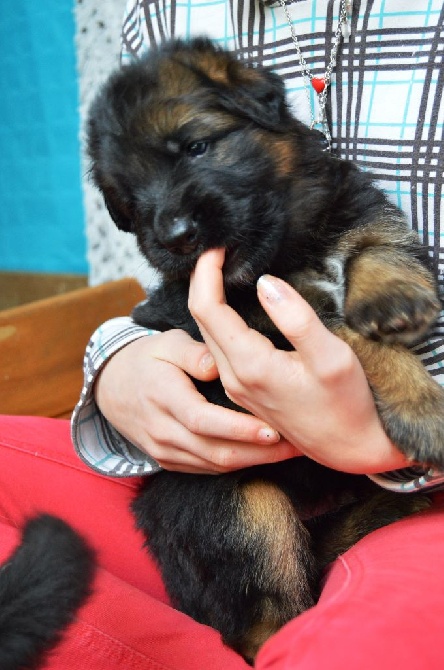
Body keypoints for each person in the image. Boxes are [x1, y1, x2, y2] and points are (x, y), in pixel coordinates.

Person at [1, 1, 444, 668]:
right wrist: (118, 368)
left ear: (266, 109)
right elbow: (162, 317)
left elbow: (381, 253)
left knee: (353, 648)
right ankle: (254, 630)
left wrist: (377, 428)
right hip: (238, 482)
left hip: (412, 491)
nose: (172, 226)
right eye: (136, 201)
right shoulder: (162, 19)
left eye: (199, 147)